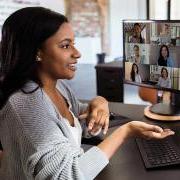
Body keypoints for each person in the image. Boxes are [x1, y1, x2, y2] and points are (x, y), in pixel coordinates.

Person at [0, 7, 174, 180]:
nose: (77, 53)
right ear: (37, 52)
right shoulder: (26, 104)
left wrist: (99, 102)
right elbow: (68, 176)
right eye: (65, 46)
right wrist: (125, 132)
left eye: (73, 44)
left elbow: (76, 122)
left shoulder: (58, 87)